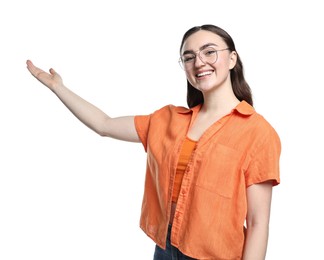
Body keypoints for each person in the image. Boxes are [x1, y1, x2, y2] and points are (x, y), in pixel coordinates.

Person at [27, 24, 281, 260]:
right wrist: (57, 88)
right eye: (189, 57)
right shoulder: (169, 120)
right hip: (165, 247)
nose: (199, 62)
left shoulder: (258, 132)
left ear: (232, 59)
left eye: (209, 52)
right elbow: (103, 124)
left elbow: (258, 222)